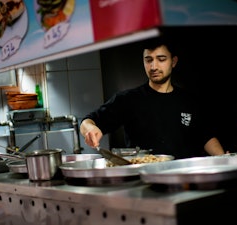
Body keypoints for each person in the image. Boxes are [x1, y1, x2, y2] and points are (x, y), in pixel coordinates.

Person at [80, 37, 226, 159]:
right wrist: (90, 128)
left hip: (185, 179)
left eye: (161, 59)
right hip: (143, 180)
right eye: (148, 60)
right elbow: (88, 121)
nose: (153, 66)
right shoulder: (128, 100)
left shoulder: (189, 101)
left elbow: (205, 136)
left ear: (173, 62)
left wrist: (223, 159)